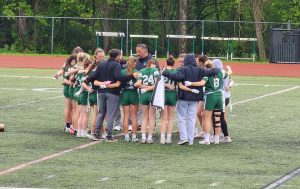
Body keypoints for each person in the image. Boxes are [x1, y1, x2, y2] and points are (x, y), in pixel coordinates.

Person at [162, 54, 220, 145]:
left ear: (186, 61)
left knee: (182, 118)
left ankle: (183, 138)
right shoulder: (200, 70)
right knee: (192, 119)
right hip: (195, 98)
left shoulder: (182, 69)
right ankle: (191, 140)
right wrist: (215, 68)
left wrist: (165, 72)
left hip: (184, 97)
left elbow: (176, 76)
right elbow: (214, 71)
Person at [85, 49, 136, 141]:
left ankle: (96, 134)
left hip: (101, 92)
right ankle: (108, 136)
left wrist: (87, 79)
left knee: (101, 113)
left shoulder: (101, 64)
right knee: (111, 114)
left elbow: (94, 76)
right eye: (120, 55)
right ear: (117, 56)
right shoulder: (116, 64)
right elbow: (118, 77)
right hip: (112, 92)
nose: (121, 57)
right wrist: (131, 76)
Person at [184, 60, 232, 145]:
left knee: (207, 118)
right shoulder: (221, 73)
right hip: (220, 96)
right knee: (217, 118)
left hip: (210, 96)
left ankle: (207, 139)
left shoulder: (207, 74)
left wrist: (190, 83)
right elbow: (229, 73)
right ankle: (217, 139)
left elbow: (201, 83)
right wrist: (228, 68)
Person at [134, 59, 160, 144]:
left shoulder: (142, 70)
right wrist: (149, 88)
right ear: (154, 64)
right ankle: (149, 137)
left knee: (144, 117)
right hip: (152, 95)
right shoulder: (155, 70)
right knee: (152, 117)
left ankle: (143, 137)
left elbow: (138, 84)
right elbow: (157, 84)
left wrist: (144, 87)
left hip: (144, 95)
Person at [119, 56, 139, 142]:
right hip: (133, 93)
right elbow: (139, 83)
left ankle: (126, 136)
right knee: (134, 116)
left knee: (126, 116)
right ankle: (134, 136)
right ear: (134, 63)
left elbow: (119, 83)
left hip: (124, 93)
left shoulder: (122, 71)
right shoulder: (137, 72)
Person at [160, 56, 178, 144]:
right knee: (170, 118)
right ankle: (169, 138)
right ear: (174, 64)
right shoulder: (176, 72)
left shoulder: (163, 72)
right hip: (173, 94)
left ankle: (162, 138)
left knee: (163, 118)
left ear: (166, 63)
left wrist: (167, 85)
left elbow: (159, 83)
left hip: (164, 94)